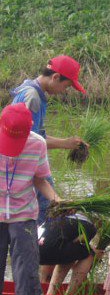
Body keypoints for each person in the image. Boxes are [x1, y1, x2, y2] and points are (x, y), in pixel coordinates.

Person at [0, 103, 60, 295]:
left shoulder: (37, 144)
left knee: (25, 273)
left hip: (24, 215)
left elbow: (39, 179)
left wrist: (56, 199)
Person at [10, 55, 87, 224]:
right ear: (55, 77)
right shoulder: (33, 98)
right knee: (47, 211)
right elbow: (28, 143)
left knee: (46, 208)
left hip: (20, 166)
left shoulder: (29, 89)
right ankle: (42, 245)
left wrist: (67, 143)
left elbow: (35, 135)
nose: (64, 91)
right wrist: (65, 144)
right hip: (24, 166)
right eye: (66, 86)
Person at [38, 213, 97, 295]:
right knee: (90, 253)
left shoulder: (57, 217)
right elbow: (80, 242)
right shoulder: (89, 226)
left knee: (69, 254)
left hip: (33, 253)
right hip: (50, 250)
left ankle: (50, 294)